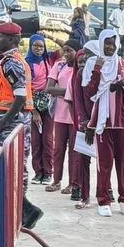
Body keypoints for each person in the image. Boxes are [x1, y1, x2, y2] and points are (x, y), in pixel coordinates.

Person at [0, 21, 44, 230]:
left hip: (11, 122)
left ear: (12, 40)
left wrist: (3, 120)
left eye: (0, 36)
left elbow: (20, 97)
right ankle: (21, 211)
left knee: (10, 166)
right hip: (8, 118)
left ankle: (22, 210)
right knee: (6, 166)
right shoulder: (6, 61)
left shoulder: (12, 63)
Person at [82, 29, 124, 217]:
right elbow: (89, 91)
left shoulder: (123, 63)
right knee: (104, 163)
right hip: (102, 120)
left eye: (113, 44)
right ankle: (103, 200)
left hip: (121, 121)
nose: (110, 47)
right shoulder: (93, 62)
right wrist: (98, 70)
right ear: (101, 44)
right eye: (107, 43)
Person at [45, 42, 78, 194]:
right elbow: (49, 88)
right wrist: (70, 92)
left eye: (69, 50)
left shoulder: (81, 68)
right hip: (60, 113)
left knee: (74, 150)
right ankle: (56, 180)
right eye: (64, 51)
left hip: (75, 115)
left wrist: (62, 92)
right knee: (58, 149)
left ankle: (72, 183)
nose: (65, 54)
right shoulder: (59, 66)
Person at [67, 43, 95, 209]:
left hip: (100, 123)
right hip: (83, 123)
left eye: (87, 60)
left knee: (104, 162)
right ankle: (84, 195)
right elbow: (77, 100)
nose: (84, 65)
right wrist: (84, 122)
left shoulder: (100, 75)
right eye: (81, 62)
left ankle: (106, 192)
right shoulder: (78, 75)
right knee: (83, 159)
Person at [25, 34, 56, 185]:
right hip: (32, 105)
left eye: (41, 46)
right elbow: (25, 89)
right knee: (36, 141)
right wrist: (34, 111)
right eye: (35, 46)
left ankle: (48, 172)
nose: (38, 49)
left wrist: (50, 36)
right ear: (30, 46)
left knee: (48, 140)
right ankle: (38, 172)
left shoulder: (48, 60)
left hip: (48, 106)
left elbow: (65, 49)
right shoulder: (26, 64)